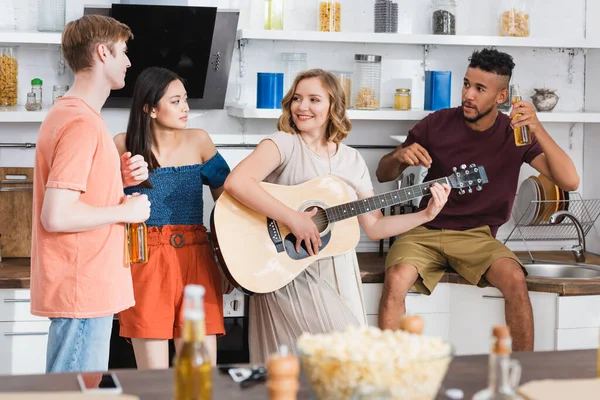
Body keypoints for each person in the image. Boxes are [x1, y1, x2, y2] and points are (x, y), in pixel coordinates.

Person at [223, 68, 451, 363]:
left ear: (333, 106)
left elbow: (375, 226)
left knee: (338, 371)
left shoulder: (351, 159)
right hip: (286, 270)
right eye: (297, 98)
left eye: (314, 99)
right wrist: (295, 219)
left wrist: (426, 215)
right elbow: (236, 182)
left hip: (338, 272)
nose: (302, 107)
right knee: (313, 365)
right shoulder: (283, 143)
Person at [375, 48, 580, 351]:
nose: (468, 94)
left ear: (501, 97)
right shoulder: (436, 123)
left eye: (480, 88)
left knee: (514, 278)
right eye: (466, 84)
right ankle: (390, 378)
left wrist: (537, 127)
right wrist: (400, 155)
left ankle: (521, 374)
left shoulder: (516, 134)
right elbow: (382, 173)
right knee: (395, 278)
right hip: (424, 230)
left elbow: (570, 181)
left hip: (478, 237)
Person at [30, 15, 151, 373]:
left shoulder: (73, 115)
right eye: (124, 52)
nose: (129, 62)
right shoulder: (81, 123)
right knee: (74, 395)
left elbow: (78, 192)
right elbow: (57, 215)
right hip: (82, 288)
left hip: (85, 286)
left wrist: (117, 176)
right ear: (102, 52)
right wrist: (125, 211)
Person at [113, 67, 230, 369]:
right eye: (176, 101)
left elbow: (230, 206)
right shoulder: (122, 146)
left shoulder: (200, 141)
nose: (186, 108)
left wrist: (227, 262)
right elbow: (104, 205)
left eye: (185, 100)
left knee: (200, 375)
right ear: (149, 108)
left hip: (198, 259)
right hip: (144, 262)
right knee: (155, 380)